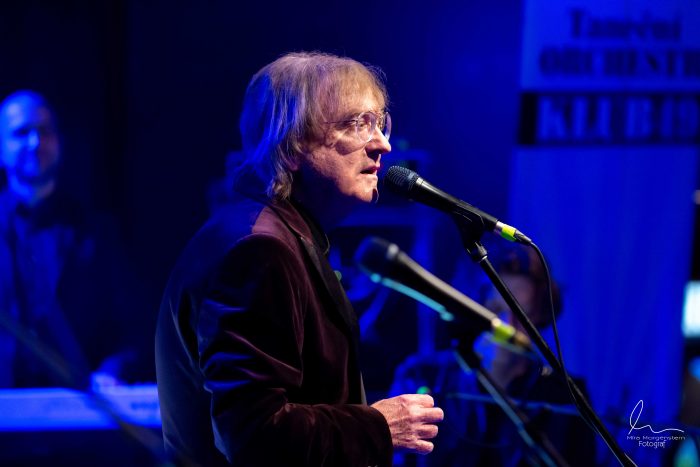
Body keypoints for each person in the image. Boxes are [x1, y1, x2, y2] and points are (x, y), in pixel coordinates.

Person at [155, 52, 444, 466]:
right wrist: (377, 428)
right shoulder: (259, 251)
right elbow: (254, 434)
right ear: (291, 145)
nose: (382, 144)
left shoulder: (278, 235)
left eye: (380, 123)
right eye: (356, 124)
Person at [390, 242, 595, 466]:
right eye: (495, 311)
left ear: (539, 319)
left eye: (522, 315)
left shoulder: (567, 397)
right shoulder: (422, 377)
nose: (507, 325)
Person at [0, 90, 150, 388]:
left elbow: (134, 324)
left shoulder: (95, 231)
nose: (35, 142)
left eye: (45, 131)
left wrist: (112, 372)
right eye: (21, 133)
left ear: (60, 142)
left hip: (75, 404)